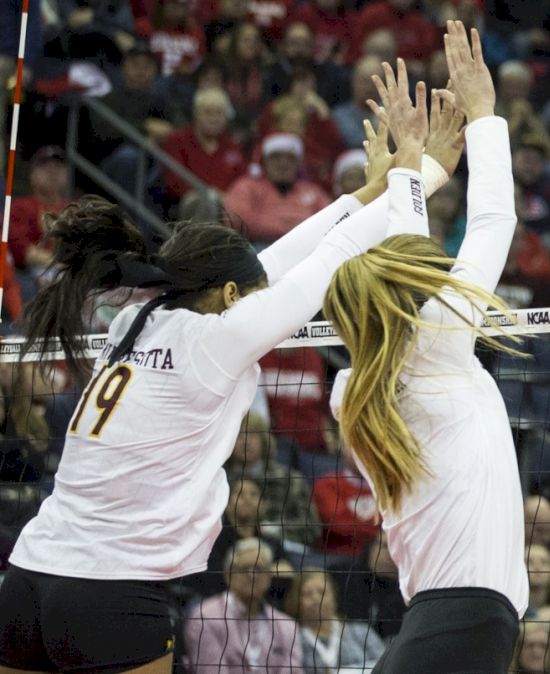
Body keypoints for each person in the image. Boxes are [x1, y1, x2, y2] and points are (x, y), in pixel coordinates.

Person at [0, 55, 456, 672]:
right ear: (230, 296)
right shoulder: (215, 340)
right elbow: (322, 266)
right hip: (111, 590)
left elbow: (274, 262)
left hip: (28, 576)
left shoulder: (136, 319)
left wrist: (367, 192)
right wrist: (418, 176)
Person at [323, 22, 526, 673]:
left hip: (435, 625)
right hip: (467, 626)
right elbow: (493, 219)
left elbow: (401, 268)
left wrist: (412, 172)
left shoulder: (350, 392)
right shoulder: (439, 343)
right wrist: (485, 114)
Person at [184, 538, 303, 671]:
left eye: (259, 569)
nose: (252, 576)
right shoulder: (205, 618)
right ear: (228, 575)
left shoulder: (287, 626)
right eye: (245, 569)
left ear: (269, 577)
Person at [284, 569, 388, 673]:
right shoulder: (292, 638)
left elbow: (387, 665)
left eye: (322, 592)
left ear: (334, 596)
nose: (316, 599)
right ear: (296, 600)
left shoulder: (361, 632)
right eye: (307, 594)